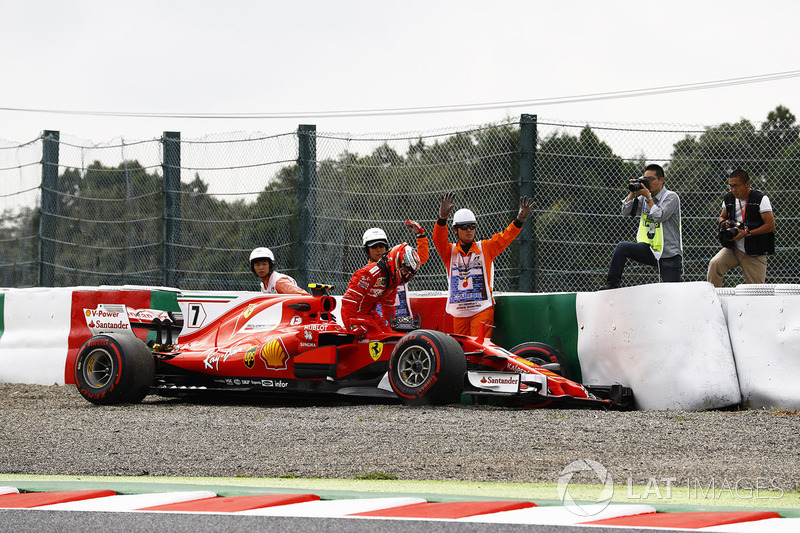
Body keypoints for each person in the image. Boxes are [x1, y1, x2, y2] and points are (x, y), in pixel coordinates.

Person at [433, 193, 533, 339]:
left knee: (480, 348)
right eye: (465, 227)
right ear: (455, 230)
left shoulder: (485, 248)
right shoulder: (449, 252)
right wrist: (442, 219)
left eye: (472, 226)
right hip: (459, 312)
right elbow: (438, 240)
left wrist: (519, 221)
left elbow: (505, 237)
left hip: (482, 309)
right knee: (462, 350)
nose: (469, 230)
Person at [599, 164, 683, 290]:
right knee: (622, 247)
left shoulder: (671, 197)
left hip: (668, 253)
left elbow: (659, 216)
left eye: (651, 179)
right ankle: (612, 286)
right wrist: (632, 193)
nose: (648, 183)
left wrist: (648, 198)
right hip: (650, 249)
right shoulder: (644, 198)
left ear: (661, 180)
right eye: (645, 179)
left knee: (672, 293)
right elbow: (626, 212)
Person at [707, 169, 775, 286]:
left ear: (747, 184)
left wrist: (747, 233)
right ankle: (713, 299)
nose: (733, 190)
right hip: (733, 248)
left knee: (757, 291)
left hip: (755, 251)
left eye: (736, 186)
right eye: (731, 186)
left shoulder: (760, 199)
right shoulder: (728, 198)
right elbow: (722, 216)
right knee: (715, 264)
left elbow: (770, 226)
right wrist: (724, 223)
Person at [341, 243, 421, 337]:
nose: (406, 276)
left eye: (409, 274)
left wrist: (392, 324)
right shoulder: (367, 274)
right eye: (405, 271)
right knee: (377, 337)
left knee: (393, 335)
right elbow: (349, 301)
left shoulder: (392, 281)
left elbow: (388, 306)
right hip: (355, 318)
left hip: (371, 316)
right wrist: (350, 325)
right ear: (396, 261)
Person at [361, 222, 429, 321]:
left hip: (403, 318)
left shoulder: (398, 264)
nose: (378, 250)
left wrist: (420, 235)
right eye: (374, 247)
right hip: (379, 322)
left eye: (381, 246)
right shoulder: (366, 273)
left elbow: (420, 258)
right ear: (367, 250)